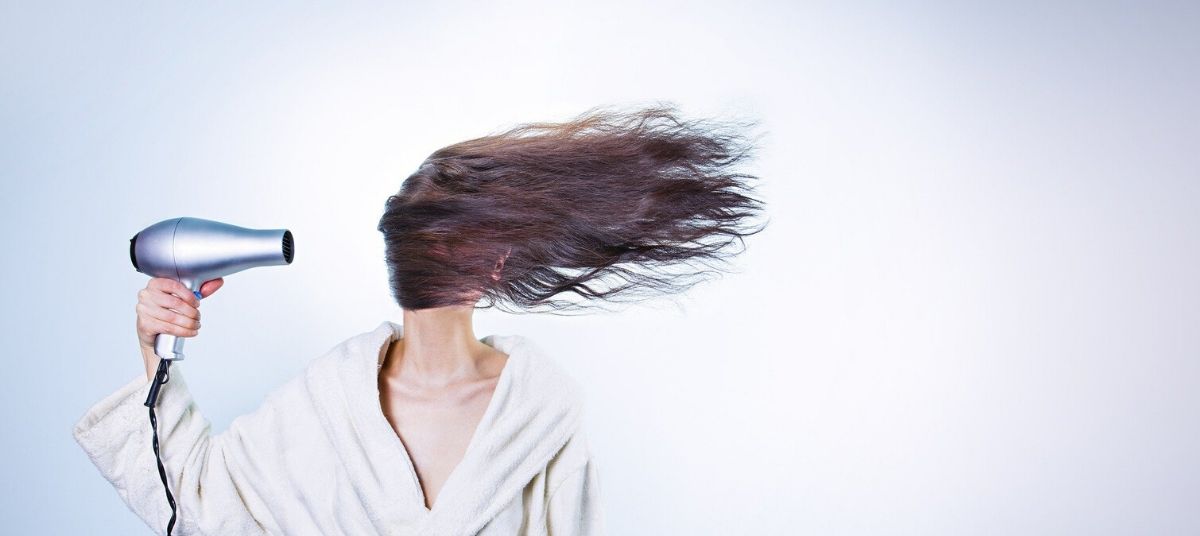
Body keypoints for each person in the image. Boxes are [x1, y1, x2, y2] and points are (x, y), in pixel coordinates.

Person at [72, 103, 768, 535]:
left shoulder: (541, 413)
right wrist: (152, 348)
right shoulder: (328, 403)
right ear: (496, 265)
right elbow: (197, 504)